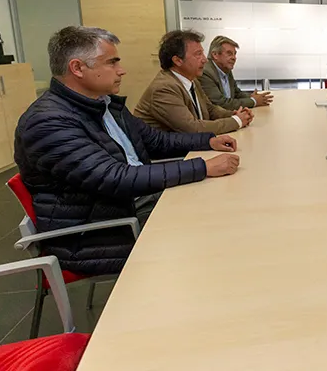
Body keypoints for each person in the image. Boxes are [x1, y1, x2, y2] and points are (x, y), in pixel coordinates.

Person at [14, 26, 240, 276]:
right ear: (77, 68)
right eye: (111, 63)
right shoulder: (48, 122)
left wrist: (208, 142)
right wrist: (203, 167)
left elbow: (156, 141)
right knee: (216, 237)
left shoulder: (104, 103)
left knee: (225, 211)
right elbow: (115, 177)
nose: (121, 70)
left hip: (129, 206)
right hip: (97, 234)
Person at [135, 30, 254, 134]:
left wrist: (233, 114)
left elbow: (210, 109)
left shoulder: (191, 80)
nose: (204, 59)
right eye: (198, 54)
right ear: (177, 60)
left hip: (190, 146)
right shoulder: (164, 88)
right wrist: (236, 121)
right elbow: (193, 128)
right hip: (169, 156)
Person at [199, 35, 273, 110]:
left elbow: (237, 93)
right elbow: (221, 104)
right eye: (229, 53)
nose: (234, 58)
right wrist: (253, 101)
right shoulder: (205, 73)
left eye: (235, 54)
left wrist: (251, 96)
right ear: (215, 55)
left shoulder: (226, 69)